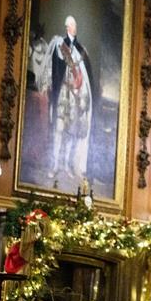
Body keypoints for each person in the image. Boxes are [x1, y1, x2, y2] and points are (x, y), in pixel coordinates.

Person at [46, 15, 96, 182]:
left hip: (75, 98)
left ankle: (66, 164)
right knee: (59, 130)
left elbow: (85, 78)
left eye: (75, 25)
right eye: (73, 25)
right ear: (67, 27)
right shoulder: (60, 44)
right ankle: (54, 165)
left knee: (71, 133)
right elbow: (55, 70)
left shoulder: (81, 50)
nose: (75, 28)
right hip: (63, 95)